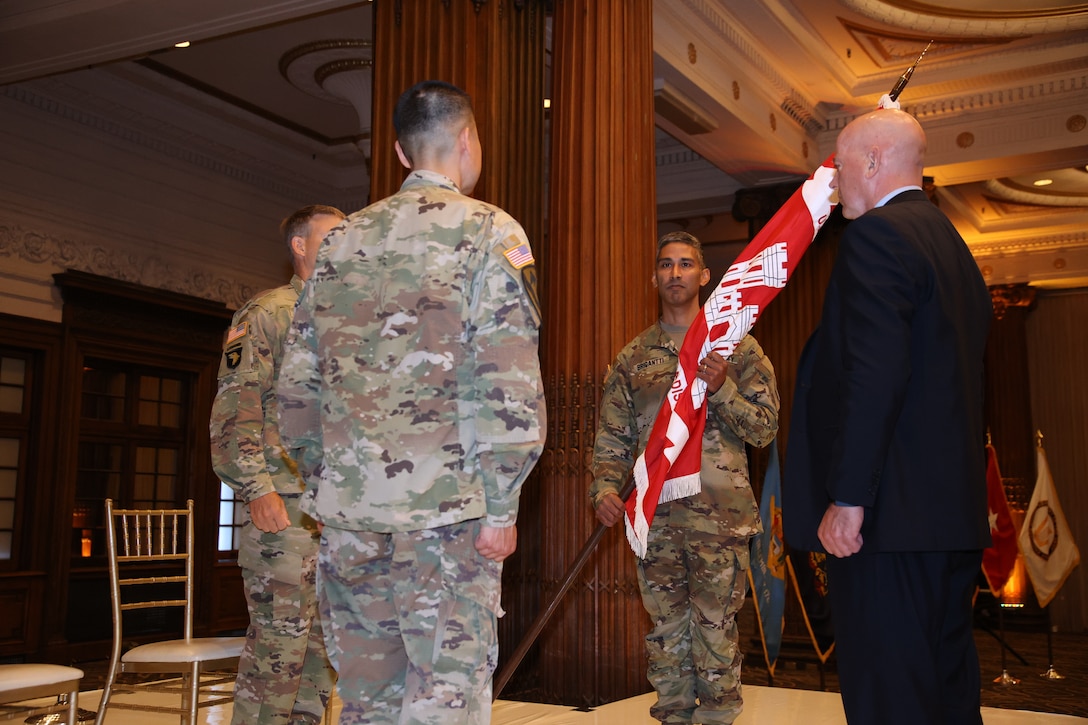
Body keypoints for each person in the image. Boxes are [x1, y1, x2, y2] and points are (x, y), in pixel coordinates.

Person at [275, 80, 546, 725]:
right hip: (448, 521)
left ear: (399, 153)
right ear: (468, 140)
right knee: (444, 702)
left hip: (349, 523)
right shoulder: (491, 232)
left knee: (367, 704)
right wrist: (501, 503)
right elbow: (507, 382)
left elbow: (295, 390)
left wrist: (332, 486)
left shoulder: (338, 243)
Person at [781, 108, 992, 725]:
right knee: (947, 698)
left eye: (839, 166)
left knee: (890, 701)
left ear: (872, 163)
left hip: (888, 526)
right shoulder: (954, 248)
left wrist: (848, 498)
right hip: (948, 524)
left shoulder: (876, 237)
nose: (833, 181)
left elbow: (874, 377)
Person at [590, 231, 780, 725]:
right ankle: (673, 719)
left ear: (704, 275)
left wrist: (722, 389)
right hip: (656, 519)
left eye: (686, 265)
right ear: (655, 277)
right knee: (667, 636)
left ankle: (718, 719)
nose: (676, 274)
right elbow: (612, 439)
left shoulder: (736, 348)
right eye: (667, 265)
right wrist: (605, 489)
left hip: (721, 520)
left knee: (716, 635)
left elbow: (765, 428)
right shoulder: (633, 359)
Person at [210, 204, 346, 724]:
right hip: (283, 511)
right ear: (299, 245)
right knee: (277, 661)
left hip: (333, 515)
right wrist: (256, 488)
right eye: (333, 236)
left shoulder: (345, 322)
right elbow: (235, 409)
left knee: (319, 664)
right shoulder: (268, 313)